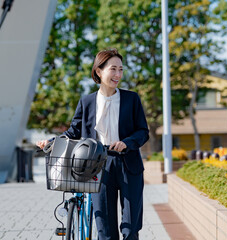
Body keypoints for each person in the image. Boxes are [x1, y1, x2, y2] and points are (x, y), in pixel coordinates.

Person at [37, 48, 149, 240]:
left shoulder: (131, 99)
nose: (118, 75)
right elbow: (73, 132)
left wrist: (126, 143)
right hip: (98, 166)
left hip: (128, 165)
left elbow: (143, 132)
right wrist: (51, 142)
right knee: (105, 229)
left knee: (131, 229)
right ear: (99, 71)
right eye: (113, 69)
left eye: (121, 70)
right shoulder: (87, 101)